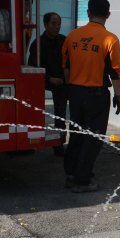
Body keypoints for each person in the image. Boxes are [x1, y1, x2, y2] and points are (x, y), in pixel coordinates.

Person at [62, 0, 120, 193]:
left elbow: (65, 64)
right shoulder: (109, 39)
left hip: (76, 93)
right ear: (108, 14)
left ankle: (71, 174)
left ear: (88, 12)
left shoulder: (72, 35)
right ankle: (82, 180)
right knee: (93, 137)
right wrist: (118, 95)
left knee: (77, 133)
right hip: (96, 95)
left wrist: (71, 88)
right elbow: (116, 72)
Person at [28, 12, 67, 156]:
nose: (57, 27)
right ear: (45, 25)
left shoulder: (64, 41)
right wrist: (49, 78)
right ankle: (33, 138)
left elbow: (70, 63)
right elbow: (33, 66)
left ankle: (59, 145)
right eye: (53, 23)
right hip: (43, 80)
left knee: (61, 112)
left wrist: (62, 78)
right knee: (35, 110)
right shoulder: (37, 44)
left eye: (59, 24)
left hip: (61, 81)